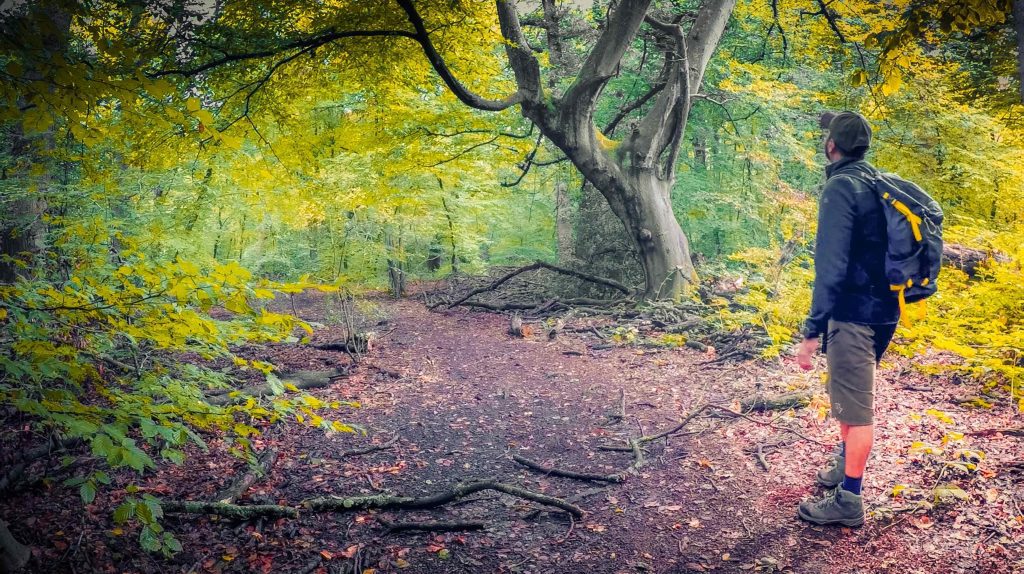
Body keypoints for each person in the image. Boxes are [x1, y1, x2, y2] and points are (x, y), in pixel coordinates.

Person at [795, 111, 900, 527]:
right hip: (885, 311)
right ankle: (843, 467)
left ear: (831, 145)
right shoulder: (878, 183)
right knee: (849, 395)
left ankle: (849, 500)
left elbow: (831, 266)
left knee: (857, 412)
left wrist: (812, 330)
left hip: (854, 314)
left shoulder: (841, 187)